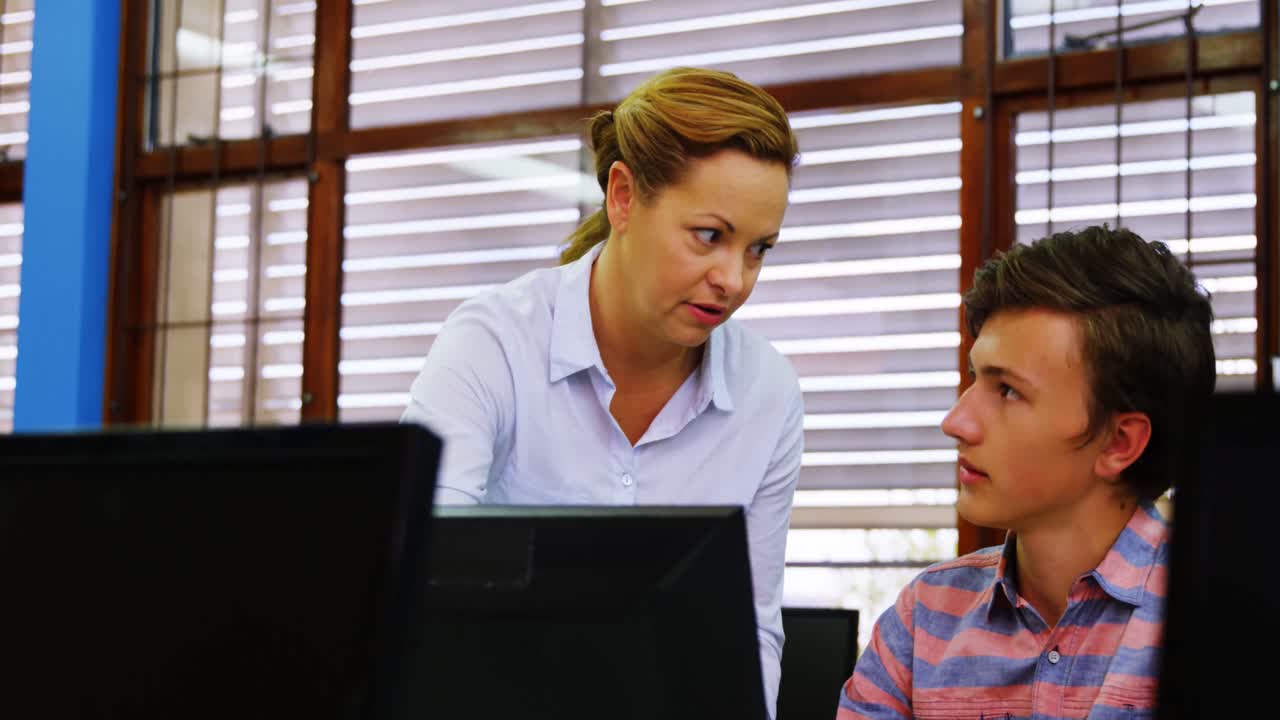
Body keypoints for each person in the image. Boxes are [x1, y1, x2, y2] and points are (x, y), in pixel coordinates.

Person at [402, 66, 803, 717]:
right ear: (623, 196)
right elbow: (416, 576)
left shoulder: (769, 395)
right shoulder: (494, 344)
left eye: (759, 249)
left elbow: (750, 628)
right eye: (709, 236)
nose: (733, 279)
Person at [836, 225, 1216, 719]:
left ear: (1119, 442)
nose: (956, 422)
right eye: (976, 378)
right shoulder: (925, 615)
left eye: (1009, 391)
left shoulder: (1223, 622)